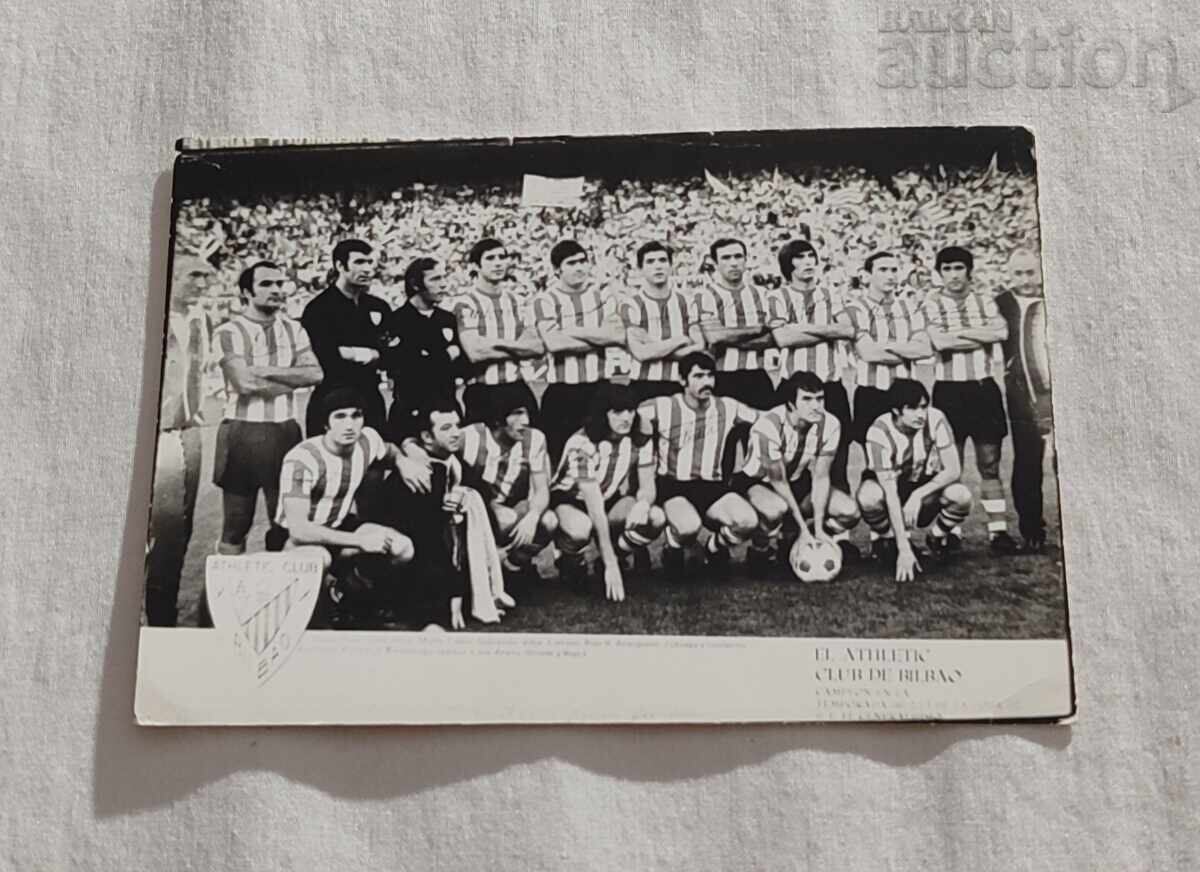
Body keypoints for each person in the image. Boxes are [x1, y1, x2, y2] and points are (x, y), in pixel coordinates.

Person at [275, 387, 432, 627]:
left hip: (340, 525)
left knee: (402, 548)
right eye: (340, 416)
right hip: (297, 538)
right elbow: (298, 529)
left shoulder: (367, 439)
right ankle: (312, 618)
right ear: (325, 423)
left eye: (356, 415)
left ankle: (352, 596)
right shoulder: (302, 458)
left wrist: (403, 462)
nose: (350, 425)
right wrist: (357, 541)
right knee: (318, 559)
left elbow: (388, 450)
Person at [212, 261, 323, 559]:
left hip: (284, 431)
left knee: (285, 522)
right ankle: (229, 597)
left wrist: (261, 369)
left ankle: (280, 592)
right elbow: (244, 383)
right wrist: (290, 377)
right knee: (236, 524)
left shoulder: (294, 329)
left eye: (279, 283)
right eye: (266, 284)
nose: (276, 289)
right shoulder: (228, 331)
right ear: (246, 292)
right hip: (241, 432)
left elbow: (315, 375)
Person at [923, 245, 1018, 554]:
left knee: (989, 464)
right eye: (947, 268)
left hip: (982, 389)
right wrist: (977, 333)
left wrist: (958, 335)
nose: (953, 274)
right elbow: (939, 341)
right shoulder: (932, 302)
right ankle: (951, 532)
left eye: (959, 268)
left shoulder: (984, 300)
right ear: (939, 273)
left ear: (968, 271)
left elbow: (1001, 332)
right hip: (948, 391)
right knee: (951, 466)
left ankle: (998, 532)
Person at [637, 351, 760, 575]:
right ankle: (672, 549)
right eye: (698, 376)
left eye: (710, 376)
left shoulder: (728, 407)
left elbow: (767, 420)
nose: (707, 382)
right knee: (688, 527)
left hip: (712, 487)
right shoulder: (662, 407)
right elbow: (625, 415)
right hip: (673, 485)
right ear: (682, 380)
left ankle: (713, 548)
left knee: (747, 521)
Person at [731, 371, 862, 574]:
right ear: (791, 404)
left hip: (798, 480)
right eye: (807, 400)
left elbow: (821, 476)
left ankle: (800, 540)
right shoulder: (768, 426)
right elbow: (779, 482)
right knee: (775, 509)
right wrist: (802, 528)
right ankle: (760, 549)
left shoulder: (831, 424)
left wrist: (817, 529)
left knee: (849, 511)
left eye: (820, 399)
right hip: (758, 483)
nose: (816, 406)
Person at [145, 255, 215, 626]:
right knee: (161, 530)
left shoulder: (199, 320)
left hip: (190, 432)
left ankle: (162, 620)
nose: (202, 285)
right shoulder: (147, 312)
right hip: (158, 435)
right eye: (194, 277)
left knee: (180, 532)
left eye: (206, 277)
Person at [362, 400, 471, 630]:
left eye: (457, 426)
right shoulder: (421, 473)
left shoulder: (450, 461)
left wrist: (463, 494)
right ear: (427, 437)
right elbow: (427, 540)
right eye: (445, 428)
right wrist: (455, 589)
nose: (455, 434)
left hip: (418, 546)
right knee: (430, 573)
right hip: (394, 552)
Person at [550, 384, 665, 599]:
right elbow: (594, 507)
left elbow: (647, 486)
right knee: (580, 529)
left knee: (655, 517)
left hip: (608, 498)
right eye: (618, 411)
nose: (626, 418)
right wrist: (613, 566)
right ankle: (570, 559)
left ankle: (612, 556)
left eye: (631, 411)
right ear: (603, 413)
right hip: (571, 500)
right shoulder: (581, 443)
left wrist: (643, 503)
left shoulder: (641, 439)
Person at [856, 379, 973, 582]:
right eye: (912, 408)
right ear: (895, 410)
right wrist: (904, 548)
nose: (921, 414)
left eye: (923, 406)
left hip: (923, 486)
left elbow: (953, 470)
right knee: (868, 497)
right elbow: (890, 493)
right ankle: (889, 540)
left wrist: (918, 495)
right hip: (891, 488)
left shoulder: (936, 419)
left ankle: (937, 537)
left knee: (961, 496)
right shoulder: (878, 431)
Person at [768, 239, 856, 493]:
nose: (807, 261)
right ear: (788, 264)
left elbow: (848, 329)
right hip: (792, 390)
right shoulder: (778, 297)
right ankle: (790, 524)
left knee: (837, 458)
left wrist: (803, 326)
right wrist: (829, 331)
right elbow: (783, 338)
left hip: (831, 387)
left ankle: (838, 527)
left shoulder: (830, 294)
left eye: (810, 256)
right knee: (788, 457)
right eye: (799, 257)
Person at [530, 239, 624, 463]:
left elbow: (618, 336)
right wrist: (598, 337)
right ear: (556, 270)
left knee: (602, 452)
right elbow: (555, 344)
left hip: (600, 388)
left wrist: (572, 330)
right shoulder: (546, 300)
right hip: (563, 392)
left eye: (583, 261)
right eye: (571, 263)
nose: (579, 267)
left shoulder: (602, 296)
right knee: (558, 456)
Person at [459, 383, 558, 591]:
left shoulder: (535, 438)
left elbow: (541, 489)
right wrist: (409, 447)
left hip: (513, 509)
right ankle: (474, 571)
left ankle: (511, 566)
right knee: (505, 519)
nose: (526, 421)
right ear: (497, 416)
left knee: (548, 521)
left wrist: (533, 516)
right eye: (517, 414)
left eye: (527, 413)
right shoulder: (471, 436)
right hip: (476, 511)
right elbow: (431, 444)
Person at [301, 239, 391, 437]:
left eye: (369, 263)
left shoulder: (379, 306)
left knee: (375, 459)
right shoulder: (319, 308)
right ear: (340, 266)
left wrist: (351, 352)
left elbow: (391, 355)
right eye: (359, 262)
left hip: (371, 398)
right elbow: (327, 357)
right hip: (332, 399)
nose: (367, 269)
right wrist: (371, 354)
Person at [995, 248, 1053, 552]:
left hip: (1058, 390)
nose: (1025, 279)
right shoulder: (1001, 304)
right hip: (1022, 395)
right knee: (1028, 461)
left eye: (1030, 272)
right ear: (1009, 274)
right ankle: (1032, 528)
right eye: (1018, 273)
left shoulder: (1057, 294)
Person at [844, 250, 932, 448]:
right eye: (882, 270)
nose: (890, 275)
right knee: (875, 460)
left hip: (907, 392)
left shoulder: (911, 307)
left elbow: (925, 349)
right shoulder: (855, 308)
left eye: (894, 270)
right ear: (866, 275)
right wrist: (908, 350)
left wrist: (885, 346)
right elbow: (868, 353)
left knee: (909, 456)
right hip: (872, 392)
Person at [453, 238, 543, 426]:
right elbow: (476, 353)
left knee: (529, 446)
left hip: (517, 387)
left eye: (502, 257)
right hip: (482, 391)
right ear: (475, 265)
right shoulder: (465, 303)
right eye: (490, 258)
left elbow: (535, 347)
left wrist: (492, 343)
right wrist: (517, 347)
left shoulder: (518, 301)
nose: (498, 263)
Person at [382, 257, 467, 441]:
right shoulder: (396, 320)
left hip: (447, 408)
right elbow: (405, 367)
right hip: (411, 412)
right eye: (435, 279)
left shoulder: (447, 319)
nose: (443, 285)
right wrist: (445, 356)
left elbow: (461, 365)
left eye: (444, 278)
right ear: (415, 284)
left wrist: (429, 358)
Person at [692, 238, 778, 410]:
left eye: (738, 256)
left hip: (758, 376)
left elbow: (774, 338)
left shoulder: (763, 294)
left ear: (746, 260)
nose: (733, 263)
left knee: (762, 432)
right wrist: (759, 329)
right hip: (722, 377)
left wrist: (731, 337)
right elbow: (715, 337)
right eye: (726, 258)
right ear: (715, 263)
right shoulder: (705, 295)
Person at [619, 241, 706, 403]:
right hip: (644, 383)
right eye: (650, 262)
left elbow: (699, 346)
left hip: (680, 383)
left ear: (671, 266)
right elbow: (641, 353)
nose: (658, 266)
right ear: (640, 269)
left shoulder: (687, 301)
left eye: (663, 260)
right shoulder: (630, 304)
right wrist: (680, 339)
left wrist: (656, 348)